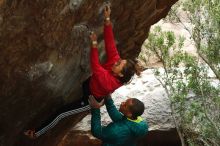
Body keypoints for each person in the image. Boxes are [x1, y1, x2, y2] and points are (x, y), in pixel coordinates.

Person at [24, 5, 142, 139]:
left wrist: (94, 45)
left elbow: (96, 66)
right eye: (120, 60)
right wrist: (107, 19)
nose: (117, 61)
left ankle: (37, 132)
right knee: (79, 91)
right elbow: (110, 44)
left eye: (120, 64)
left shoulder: (109, 82)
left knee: (61, 113)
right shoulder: (116, 65)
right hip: (89, 85)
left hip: (89, 99)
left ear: (119, 74)